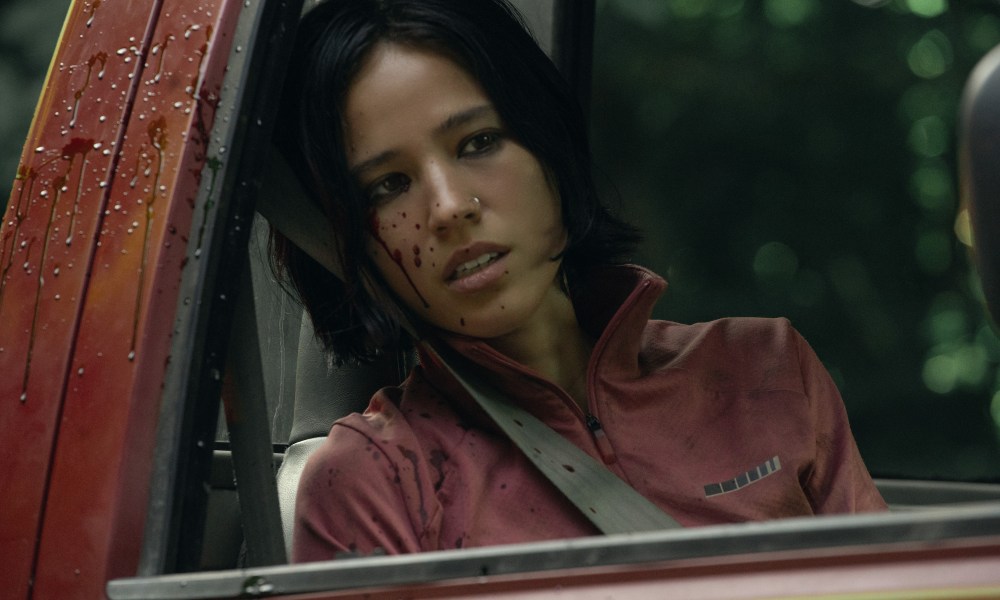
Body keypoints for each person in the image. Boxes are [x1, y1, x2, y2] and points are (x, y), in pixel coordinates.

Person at [270, 0, 886, 562]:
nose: (450, 206)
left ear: (550, 148)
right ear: (346, 237)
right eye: (388, 185)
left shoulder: (766, 371)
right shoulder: (373, 484)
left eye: (479, 142)